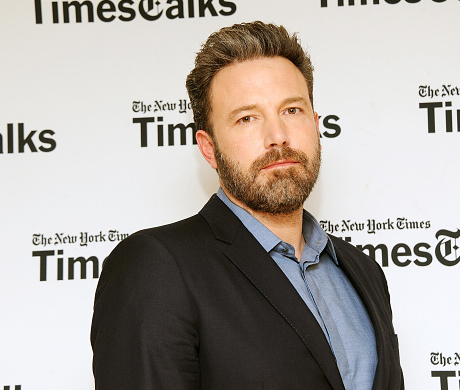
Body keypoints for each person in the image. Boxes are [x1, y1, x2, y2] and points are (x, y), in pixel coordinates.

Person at [91, 21, 404, 390]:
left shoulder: (363, 271)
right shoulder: (157, 267)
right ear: (209, 149)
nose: (278, 137)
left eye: (291, 111)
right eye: (247, 118)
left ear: (316, 125)